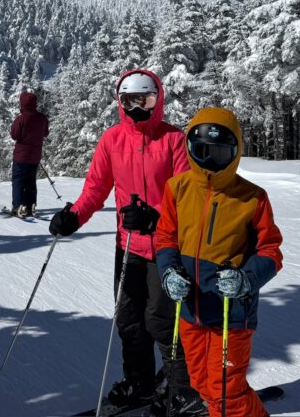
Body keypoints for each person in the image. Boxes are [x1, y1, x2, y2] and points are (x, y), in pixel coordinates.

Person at [49, 69, 201, 416]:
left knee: (161, 321)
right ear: (120, 104)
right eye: (128, 102)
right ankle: (142, 384)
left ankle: (183, 393)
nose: (136, 110)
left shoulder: (174, 140)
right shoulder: (112, 140)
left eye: (144, 101)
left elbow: (188, 199)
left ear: (157, 100)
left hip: (166, 247)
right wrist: (73, 216)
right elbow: (96, 189)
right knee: (129, 319)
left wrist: (155, 218)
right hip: (129, 245)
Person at [155, 107, 283, 417]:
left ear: (236, 151)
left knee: (227, 392)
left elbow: (271, 251)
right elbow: (165, 238)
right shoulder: (177, 188)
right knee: (202, 384)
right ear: (190, 148)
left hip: (232, 312)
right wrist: (169, 271)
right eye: (203, 151)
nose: (212, 161)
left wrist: (246, 279)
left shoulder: (253, 197)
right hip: (191, 309)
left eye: (221, 152)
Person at [9, 91, 49, 217]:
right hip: (35, 156)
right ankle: (31, 205)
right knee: (31, 181)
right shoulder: (42, 118)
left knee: (18, 181)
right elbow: (45, 133)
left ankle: (18, 206)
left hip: (21, 156)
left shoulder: (21, 119)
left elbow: (14, 135)